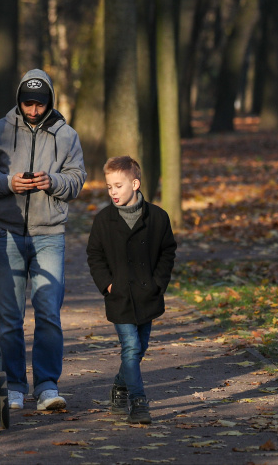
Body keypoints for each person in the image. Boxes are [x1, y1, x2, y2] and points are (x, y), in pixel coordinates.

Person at [0, 69, 86, 411]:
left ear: (49, 102)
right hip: (5, 233)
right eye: (27, 103)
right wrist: (8, 183)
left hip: (49, 234)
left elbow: (77, 180)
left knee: (49, 311)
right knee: (8, 316)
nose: (33, 110)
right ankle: (14, 386)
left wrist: (52, 181)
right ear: (19, 101)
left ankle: (48, 386)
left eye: (39, 104)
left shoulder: (66, 135)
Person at [85, 156, 176, 424]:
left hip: (148, 294)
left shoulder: (158, 218)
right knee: (131, 347)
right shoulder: (104, 220)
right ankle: (138, 402)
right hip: (120, 296)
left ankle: (120, 386)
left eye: (118, 186)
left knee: (139, 348)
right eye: (109, 186)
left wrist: (159, 282)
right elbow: (95, 255)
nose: (113, 192)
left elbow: (167, 252)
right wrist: (107, 284)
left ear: (135, 184)